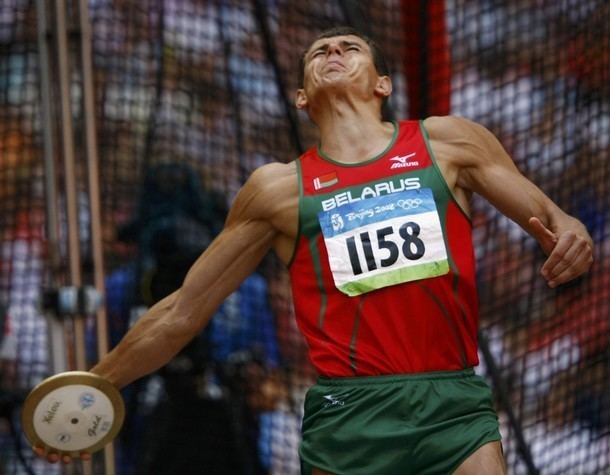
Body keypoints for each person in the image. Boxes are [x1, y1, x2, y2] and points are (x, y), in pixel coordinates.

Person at [35, 26, 593, 474]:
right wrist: (98, 384)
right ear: (301, 96)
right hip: (347, 416)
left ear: (383, 83)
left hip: (451, 402)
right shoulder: (276, 190)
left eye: (350, 47)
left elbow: (551, 216)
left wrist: (571, 230)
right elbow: (183, 310)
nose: (333, 51)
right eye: (319, 51)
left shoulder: (447, 142)